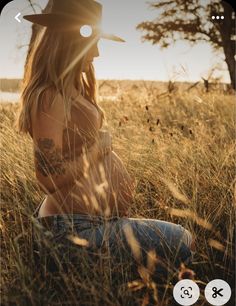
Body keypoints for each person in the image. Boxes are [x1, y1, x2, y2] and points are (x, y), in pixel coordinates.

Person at [16, 0, 195, 281]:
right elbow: (47, 178)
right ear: (68, 41)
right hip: (72, 231)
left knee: (169, 262)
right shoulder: (50, 97)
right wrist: (99, 150)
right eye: (92, 42)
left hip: (89, 223)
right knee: (183, 240)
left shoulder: (73, 89)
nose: (97, 52)